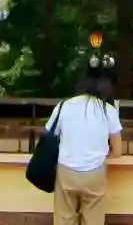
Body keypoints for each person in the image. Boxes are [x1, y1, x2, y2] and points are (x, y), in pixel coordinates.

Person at [48, 63, 123, 225]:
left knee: (64, 219)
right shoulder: (108, 110)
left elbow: (49, 136)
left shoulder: (64, 106)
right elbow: (117, 151)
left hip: (66, 171)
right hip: (95, 173)